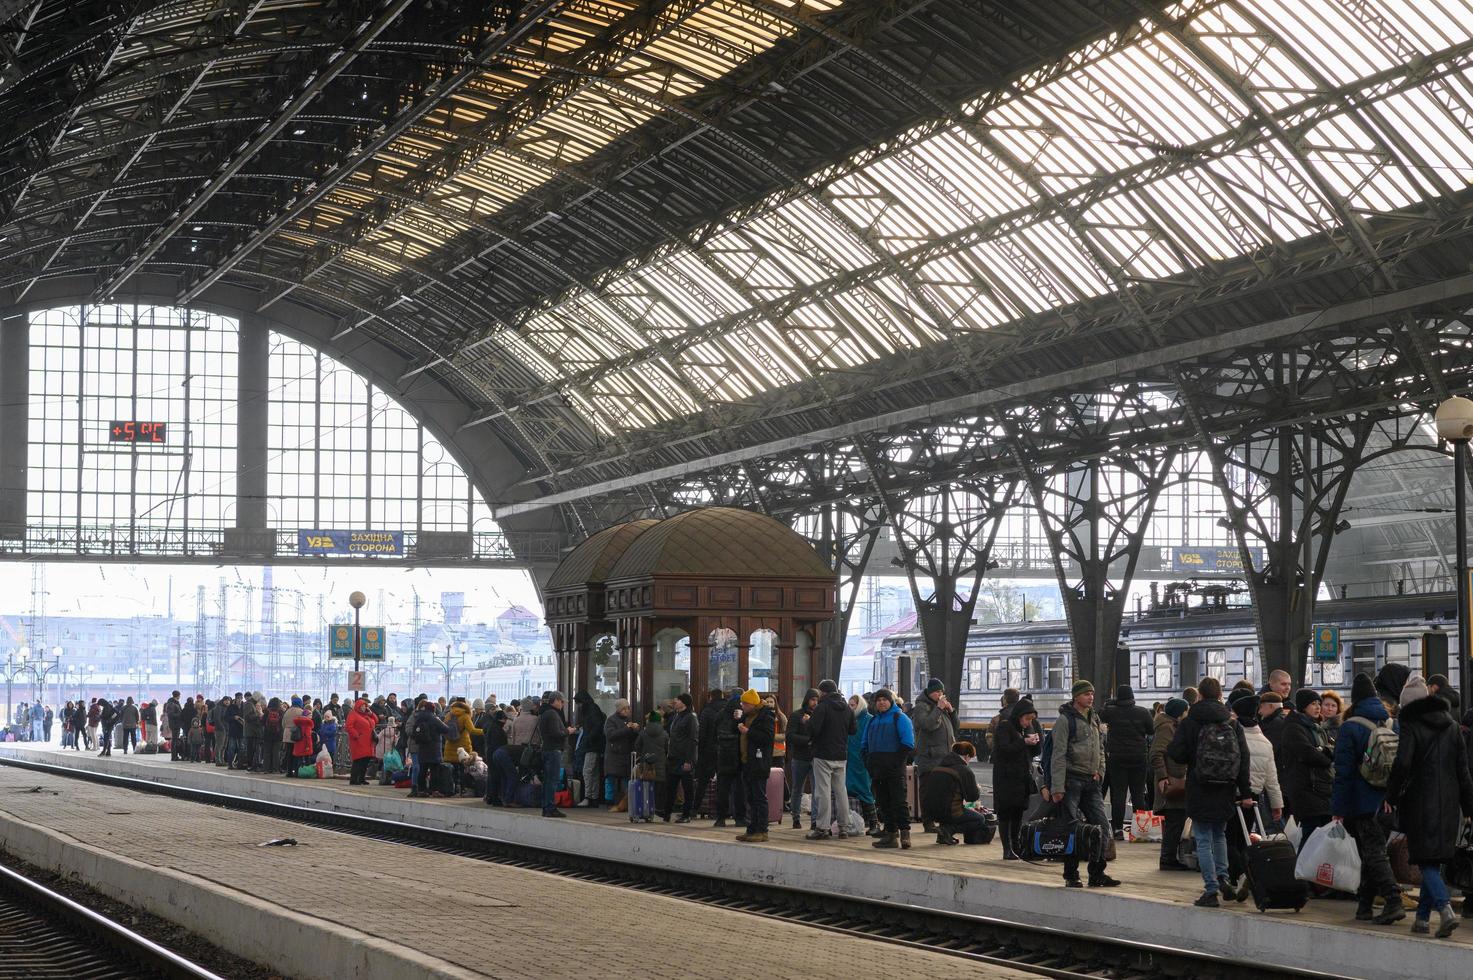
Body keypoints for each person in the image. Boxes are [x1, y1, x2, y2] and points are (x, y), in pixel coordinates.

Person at [1386, 674, 1473, 937]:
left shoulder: (1411, 723)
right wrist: (1468, 809)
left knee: (1424, 859)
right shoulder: (1452, 724)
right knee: (1433, 861)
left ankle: (1445, 910)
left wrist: (1391, 795)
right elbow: (1463, 770)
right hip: (1449, 805)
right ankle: (1422, 920)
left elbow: (1402, 763)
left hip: (1421, 801)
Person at [1168, 676, 1252, 908]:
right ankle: (1224, 878)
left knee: (1203, 839)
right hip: (1226, 787)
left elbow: (1176, 753)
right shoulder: (1232, 722)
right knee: (1220, 835)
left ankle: (1211, 889)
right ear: (1219, 695)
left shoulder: (1191, 720)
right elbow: (1243, 759)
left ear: (1200, 695)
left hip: (1200, 785)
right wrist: (1245, 791)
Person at [1332, 672, 1405, 924]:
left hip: (1363, 802)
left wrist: (1338, 808)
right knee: (1371, 852)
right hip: (1388, 801)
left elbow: (1342, 772)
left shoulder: (1350, 727)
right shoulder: (1393, 724)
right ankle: (1364, 905)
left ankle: (1393, 899)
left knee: (1373, 853)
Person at [1048, 680, 1116, 888]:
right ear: (1076, 696)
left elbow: (1100, 749)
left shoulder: (1094, 718)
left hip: (1091, 781)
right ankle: (1071, 874)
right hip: (1071, 781)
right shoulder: (1065, 720)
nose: (1091, 697)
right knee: (1072, 829)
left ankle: (1097, 873)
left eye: (1092, 693)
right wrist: (1057, 787)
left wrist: (1100, 772)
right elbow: (1057, 754)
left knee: (1102, 826)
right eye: (1086, 694)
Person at [1224, 691, 1283, 902]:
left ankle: (1240, 874)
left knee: (1228, 838)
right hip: (1254, 797)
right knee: (1244, 838)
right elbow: (1272, 777)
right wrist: (1277, 804)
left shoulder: (1232, 734)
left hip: (1232, 793)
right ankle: (1240, 876)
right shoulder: (1265, 742)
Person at [1280, 689, 1334, 852]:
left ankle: (1312, 872)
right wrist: (1326, 756)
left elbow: (1332, 749)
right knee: (1311, 832)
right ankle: (1303, 871)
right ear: (1303, 706)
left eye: (1319, 703)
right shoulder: (1294, 728)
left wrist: (1323, 751)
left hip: (1321, 788)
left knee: (1320, 834)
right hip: (1305, 788)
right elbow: (1307, 753)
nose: (1318, 707)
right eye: (1313, 704)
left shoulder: (1318, 728)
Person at [1099, 684, 1154, 840]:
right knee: (1138, 793)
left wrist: (1112, 703)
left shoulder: (1111, 712)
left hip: (1117, 757)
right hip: (1138, 757)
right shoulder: (1143, 712)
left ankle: (1117, 830)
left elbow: (1100, 715)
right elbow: (1151, 731)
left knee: (1119, 794)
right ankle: (1140, 831)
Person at [862, 688, 915, 850]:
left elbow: (908, 743)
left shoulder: (900, 718)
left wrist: (896, 762)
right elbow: (864, 745)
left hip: (894, 769)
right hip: (877, 769)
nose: (881, 702)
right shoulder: (873, 721)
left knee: (899, 801)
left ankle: (905, 834)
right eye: (878, 700)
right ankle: (891, 835)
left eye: (884, 699)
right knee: (883, 803)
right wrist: (868, 762)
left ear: (890, 701)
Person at [990, 697, 1039, 860]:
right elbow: (1004, 749)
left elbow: (1033, 752)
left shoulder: (1025, 729)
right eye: (1027, 719)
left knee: (1018, 813)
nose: (1028, 723)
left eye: (1031, 720)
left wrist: (1035, 741)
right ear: (1019, 715)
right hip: (1005, 779)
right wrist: (1023, 741)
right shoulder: (1005, 727)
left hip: (1020, 779)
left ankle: (1016, 846)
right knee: (1005, 813)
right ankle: (1007, 848)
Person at [807, 679, 854, 840]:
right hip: (841, 755)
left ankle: (822, 828)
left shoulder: (823, 707)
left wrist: (807, 722)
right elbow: (853, 730)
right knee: (841, 792)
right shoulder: (847, 708)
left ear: (823, 692)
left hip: (823, 754)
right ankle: (844, 828)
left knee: (823, 792)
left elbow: (813, 729)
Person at [1150, 697, 1191, 871]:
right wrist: (1162, 777)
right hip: (1171, 781)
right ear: (1180, 713)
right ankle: (1167, 859)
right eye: (1186, 710)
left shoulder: (1174, 726)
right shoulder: (1167, 728)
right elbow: (1156, 754)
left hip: (1176, 779)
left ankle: (1170, 857)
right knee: (1175, 820)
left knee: (1177, 819)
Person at [911, 679, 957, 831]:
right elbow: (927, 725)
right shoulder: (921, 707)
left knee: (943, 791)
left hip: (944, 756)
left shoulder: (941, 708)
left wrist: (951, 712)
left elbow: (955, 728)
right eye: (937, 692)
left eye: (941, 692)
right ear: (929, 692)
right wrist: (938, 709)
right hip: (929, 757)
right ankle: (928, 822)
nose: (940, 695)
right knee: (928, 792)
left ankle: (942, 820)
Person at [922, 741, 987, 844]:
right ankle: (948, 830)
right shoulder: (965, 770)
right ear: (966, 756)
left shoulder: (938, 767)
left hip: (929, 812)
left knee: (948, 808)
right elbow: (972, 797)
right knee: (979, 819)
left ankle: (943, 833)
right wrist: (977, 789)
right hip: (950, 811)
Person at [735, 689, 775, 843]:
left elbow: (767, 737)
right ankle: (751, 829)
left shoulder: (766, 716)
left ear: (752, 704)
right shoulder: (748, 715)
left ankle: (762, 830)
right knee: (750, 797)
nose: (742, 706)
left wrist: (748, 731)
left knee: (759, 797)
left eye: (744, 703)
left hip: (759, 761)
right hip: (748, 761)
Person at [537, 692, 575, 817]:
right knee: (552, 780)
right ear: (556, 700)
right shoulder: (552, 714)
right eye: (562, 702)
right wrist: (567, 731)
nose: (563, 705)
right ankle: (550, 807)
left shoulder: (544, 712)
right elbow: (556, 733)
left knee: (548, 780)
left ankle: (546, 807)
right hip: (553, 750)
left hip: (547, 749)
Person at [713, 688, 747, 827]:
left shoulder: (721, 713)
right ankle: (740, 818)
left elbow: (714, 732)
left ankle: (720, 818)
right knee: (739, 789)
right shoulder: (741, 713)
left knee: (722, 788)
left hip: (723, 755)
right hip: (738, 755)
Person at [786, 689, 818, 832]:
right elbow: (790, 736)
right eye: (812, 699)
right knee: (797, 788)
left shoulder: (819, 715)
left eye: (817, 700)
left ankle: (815, 821)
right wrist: (808, 741)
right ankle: (796, 818)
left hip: (815, 757)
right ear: (807, 700)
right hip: (800, 757)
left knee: (817, 790)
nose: (815, 703)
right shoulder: (796, 716)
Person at [664, 693, 699, 823]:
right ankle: (666, 813)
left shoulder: (691, 718)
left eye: (677, 700)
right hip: (674, 757)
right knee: (671, 786)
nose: (675, 701)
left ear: (684, 703)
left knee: (687, 787)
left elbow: (693, 740)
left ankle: (687, 814)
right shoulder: (677, 716)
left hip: (684, 758)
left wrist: (688, 760)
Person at [846, 694, 877, 835]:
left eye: (853, 705)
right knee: (850, 790)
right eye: (849, 705)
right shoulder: (849, 720)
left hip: (862, 762)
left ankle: (873, 822)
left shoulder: (868, 719)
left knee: (865, 791)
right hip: (851, 761)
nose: (850, 708)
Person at [694, 689, 725, 817]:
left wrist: (700, 753)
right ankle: (721, 812)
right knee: (723, 782)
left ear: (710, 697)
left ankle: (694, 809)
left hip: (708, 752)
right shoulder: (727, 710)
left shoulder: (707, 711)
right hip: (724, 750)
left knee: (702, 782)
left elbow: (701, 734)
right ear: (722, 696)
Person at [603, 700, 639, 812]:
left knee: (626, 780)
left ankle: (626, 802)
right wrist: (627, 728)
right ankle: (609, 802)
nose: (627, 711)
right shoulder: (611, 720)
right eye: (625, 708)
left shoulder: (628, 721)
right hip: (613, 755)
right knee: (611, 780)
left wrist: (635, 730)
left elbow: (632, 738)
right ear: (619, 709)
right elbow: (610, 735)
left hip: (625, 755)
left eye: (628, 708)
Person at [573, 691, 606, 807]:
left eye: (578, 703)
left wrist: (588, 738)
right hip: (595, 745)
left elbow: (595, 727)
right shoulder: (593, 709)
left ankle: (588, 796)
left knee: (587, 771)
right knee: (594, 772)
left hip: (591, 745)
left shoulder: (590, 711)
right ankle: (594, 797)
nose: (578, 706)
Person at [635, 709, 669, 816]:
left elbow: (637, 746)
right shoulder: (664, 734)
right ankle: (659, 809)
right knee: (660, 788)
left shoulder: (643, 733)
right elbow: (668, 748)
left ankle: (646, 808)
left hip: (646, 764)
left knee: (646, 787)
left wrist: (643, 755)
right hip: (660, 765)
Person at [346, 698, 377, 785]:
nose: (364, 708)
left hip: (367, 742)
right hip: (358, 741)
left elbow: (376, 720)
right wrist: (356, 735)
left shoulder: (366, 715)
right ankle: (354, 779)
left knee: (365, 761)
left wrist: (371, 713)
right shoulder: (353, 714)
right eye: (362, 706)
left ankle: (361, 778)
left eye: (365, 706)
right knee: (358, 760)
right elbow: (349, 726)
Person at [288, 704, 316, 777]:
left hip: (298, 743)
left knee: (298, 759)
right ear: (307, 716)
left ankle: (297, 772)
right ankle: (305, 773)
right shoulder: (307, 724)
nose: (311, 717)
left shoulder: (299, 723)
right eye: (310, 715)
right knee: (306, 760)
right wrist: (309, 746)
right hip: (305, 744)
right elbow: (308, 736)